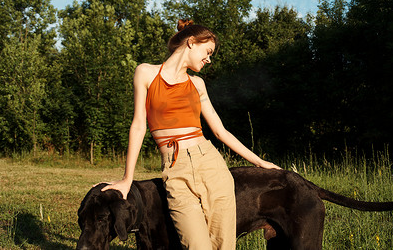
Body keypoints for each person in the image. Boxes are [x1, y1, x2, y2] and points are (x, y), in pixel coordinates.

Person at [101, 19, 281, 250]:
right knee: (196, 245)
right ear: (191, 42)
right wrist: (127, 178)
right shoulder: (145, 72)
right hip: (175, 172)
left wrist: (260, 162)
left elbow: (219, 131)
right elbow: (138, 125)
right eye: (208, 51)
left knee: (224, 246)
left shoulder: (198, 85)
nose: (209, 59)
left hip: (211, 166)